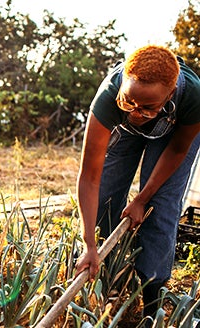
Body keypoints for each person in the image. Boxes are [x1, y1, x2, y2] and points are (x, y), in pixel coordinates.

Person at [75, 45, 200, 322]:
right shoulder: (110, 97)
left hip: (172, 134)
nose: (135, 112)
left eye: (146, 106)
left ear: (168, 95)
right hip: (125, 133)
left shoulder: (193, 96)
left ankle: (151, 302)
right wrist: (89, 244)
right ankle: (105, 279)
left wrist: (142, 199)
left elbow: (178, 150)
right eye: (128, 102)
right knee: (105, 199)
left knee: (161, 208)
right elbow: (90, 176)